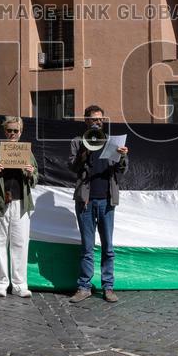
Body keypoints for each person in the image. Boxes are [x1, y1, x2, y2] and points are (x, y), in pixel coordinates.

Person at [67, 105, 129, 304]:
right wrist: (84, 151)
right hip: (86, 201)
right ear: (86, 121)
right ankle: (84, 287)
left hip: (106, 201)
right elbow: (72, 167)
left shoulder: (111, 142)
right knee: (87, 247)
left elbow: (121, 171)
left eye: (100, 120)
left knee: (108, 247)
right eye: (93, 120)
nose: (97, 123)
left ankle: (108, 287)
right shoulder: (78, 142)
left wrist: (123, 155)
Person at [0, 116, 38, 297]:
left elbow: (36, 179)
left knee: (20, 243)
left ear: (21, 132)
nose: (12, 134)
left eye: (16, 130)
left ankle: (20, 284)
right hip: (0, 203)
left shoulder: (27, 153)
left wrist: (30, 173)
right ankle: (0, 283)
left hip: (21, 203)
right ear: (5, 132)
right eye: (9, 130)